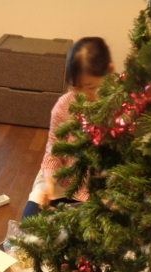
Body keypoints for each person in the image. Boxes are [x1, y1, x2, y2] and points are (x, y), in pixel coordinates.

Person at [22, 37, 114, 218]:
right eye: (76, 87)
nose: (83, 95)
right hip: (64, 183)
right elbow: (54, 151)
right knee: (30, 223)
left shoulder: (121, 105)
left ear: (110, 71)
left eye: (90, 87)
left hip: (104, 189)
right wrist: (49, 182)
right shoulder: (64, 106)